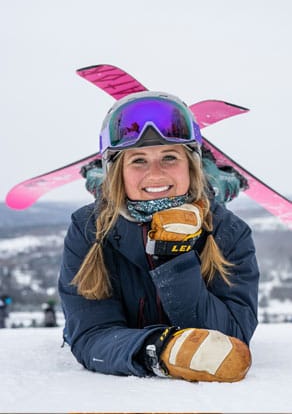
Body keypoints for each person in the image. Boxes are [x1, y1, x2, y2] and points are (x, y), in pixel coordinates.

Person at [59, 91, 259, 383]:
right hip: (127, 379)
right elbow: (91, 334)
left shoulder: (230, 232)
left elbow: (231, 338)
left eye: (169, 156)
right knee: (105, 197)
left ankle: (224, 179)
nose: (155, 172)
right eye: (138, 160)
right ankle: (95, 176)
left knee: (214, 188)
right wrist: (158, 349)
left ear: (191, 165)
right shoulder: (88, 228)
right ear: (118, 172)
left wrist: (173, 255)